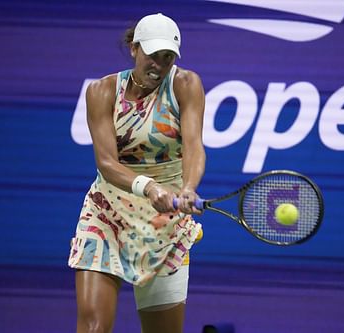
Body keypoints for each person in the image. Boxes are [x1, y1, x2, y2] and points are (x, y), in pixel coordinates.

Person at [67, 13, 206, 333]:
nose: (159, 65)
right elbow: (106, 162)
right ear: (134, 48)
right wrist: (150, 188)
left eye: (167, 57)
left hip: (164, 224)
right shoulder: (101, 91)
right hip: (107, 215)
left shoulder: (186, 84)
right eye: (152, 55)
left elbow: (194, 146)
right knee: (93, 327)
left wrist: (188, 188)